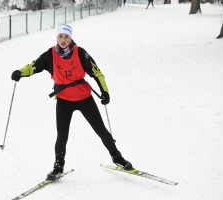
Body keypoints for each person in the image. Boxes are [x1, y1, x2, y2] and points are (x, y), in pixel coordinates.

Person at [11, 25, 134, 181]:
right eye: (60, 36)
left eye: (66, 37)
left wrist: (105, 91)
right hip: (64, 100)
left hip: (84, 98)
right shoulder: (50, 55)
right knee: (62, 136)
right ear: (56, 38)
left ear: (71, 38)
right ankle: (58, 167)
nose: (63, 40)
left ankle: (117, 158)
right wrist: (19, 73)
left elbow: (96, 72)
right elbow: (34, 66)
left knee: (101, 131)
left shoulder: (80, 53)